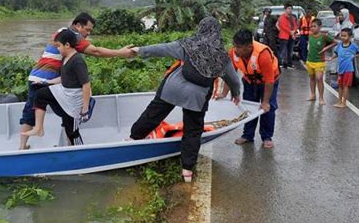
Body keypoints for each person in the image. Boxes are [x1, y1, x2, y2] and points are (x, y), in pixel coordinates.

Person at [128, 17, 241, 182]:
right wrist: (236, 94)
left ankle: (133, 139)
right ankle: (187, 170)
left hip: (173, 87)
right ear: (217, 33)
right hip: (197, 96)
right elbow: (233, 79)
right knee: (193, 130)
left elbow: (163, 49)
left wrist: (140, 50)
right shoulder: (222, 56)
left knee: (154, 113)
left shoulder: (189, 44)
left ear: (200, 29)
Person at [19, 12, 134, 149]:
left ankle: (26, 147)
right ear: (77, 25)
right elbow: (96, 51)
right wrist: (120, 53)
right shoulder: (70, 37)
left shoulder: (62, 32)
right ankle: (70, 147)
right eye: (87, 30)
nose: (87, 35)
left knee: (35, 113)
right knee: (67, 114)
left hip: (41, 79)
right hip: (47, 81)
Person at [22, 29, 91, 144]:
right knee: (40, 94)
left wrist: (85, 108)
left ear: (67, 45)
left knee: (72, 133)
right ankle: (39, 129)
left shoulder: (77, 61)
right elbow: (63, 78)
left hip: (73, 100)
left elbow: (86, 84)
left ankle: (79, 151)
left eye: (59, 46)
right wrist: (45, 82)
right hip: (65, 94)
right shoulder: (65, 58)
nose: (57, 49)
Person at [216, 29, 280, 149]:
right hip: (250, 81)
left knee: (267, 109)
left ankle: (267, 137)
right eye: (234, 45)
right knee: (248, 108)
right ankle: (248, 135)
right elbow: (230, 76)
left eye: (238, 47)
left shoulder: (262, 54)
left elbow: (269, 80)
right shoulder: (233, 53)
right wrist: (224, 93)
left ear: (249, 46)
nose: (235, 49)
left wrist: (265, 102)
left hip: (268, 83)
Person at [328, 28, 359, 108]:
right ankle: (339, 101)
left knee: (345, 86)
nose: (343, 37)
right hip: (340, 69)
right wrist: (331, 58)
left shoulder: (353, 46)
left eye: (345, 36)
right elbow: (336, 53)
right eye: (342, 35)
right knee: (340, 86)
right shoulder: (340, 45)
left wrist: (353, 56)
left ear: (350, 37)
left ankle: (344, 103)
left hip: (348, 69)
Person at [306, 19, 338, 105]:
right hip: (310, 60)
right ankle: (313, 95)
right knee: (312, 78)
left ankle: (321, 97)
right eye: (311, 26)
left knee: (319, 78)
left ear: (320, 27)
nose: (312, 28)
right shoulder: (310, 35)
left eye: (314, 26)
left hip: (319, 61)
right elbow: (310, 45)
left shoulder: (324, 36)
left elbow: (335, 42)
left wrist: (325, 48)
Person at [276, 3, 298, 69]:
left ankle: (289, 63)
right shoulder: (281, 17)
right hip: (284, 36)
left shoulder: (292, 17)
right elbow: (283, 26)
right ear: (285, 9)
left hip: (291, 36)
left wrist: (294, 30)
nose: (290, 10)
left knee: (290, 51)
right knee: (283, 51)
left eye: (291, 9)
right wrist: (290, 32)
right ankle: (281, 63)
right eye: (288, 8)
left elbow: (295, 25)